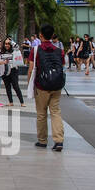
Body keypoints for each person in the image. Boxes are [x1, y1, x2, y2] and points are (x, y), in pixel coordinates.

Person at [28, 23, 66, 151]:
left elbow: (31, 69)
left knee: (41, 113)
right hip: (57, 85)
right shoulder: (59, 51)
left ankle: (42, 141)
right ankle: (59, 141)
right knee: (55, 112)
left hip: (42, 86)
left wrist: (30, 84)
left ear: (40, 35)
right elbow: (62, 66)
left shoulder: (36, 50)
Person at [1, 38, 25, 106]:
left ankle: (22, 102)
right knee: (7, 87)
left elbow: (17, 47)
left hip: (13, 70)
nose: (7, 45)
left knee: (16, 86)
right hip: (5, 71)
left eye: (8, 44)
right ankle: (10, 102)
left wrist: (11, 41)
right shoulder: (2, 52)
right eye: (6, 44)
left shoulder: (14, 50)